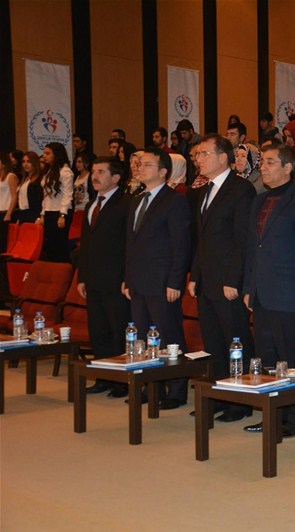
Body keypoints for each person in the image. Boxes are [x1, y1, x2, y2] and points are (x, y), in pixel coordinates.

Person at [241, 144, 295, 434]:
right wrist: (249, 287)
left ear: (288, 167)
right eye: (262, 162)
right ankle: (274, 414)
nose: (263, 167)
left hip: (289, 293)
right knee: (268, 358)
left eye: (270, 162)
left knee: (293, 357)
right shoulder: (259, 200)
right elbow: (253, 248)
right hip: (262, 292)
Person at [188, 135, 256, 422]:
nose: (198, 159)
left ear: (222, 157)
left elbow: (242, 239)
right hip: (207, 280)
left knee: (236, 341)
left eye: (204, 154)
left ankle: (240, 401)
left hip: (228, 281)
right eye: (197, 155)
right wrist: (195, 274)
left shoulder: (241, 189)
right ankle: (218, 395)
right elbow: (201, 239)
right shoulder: (204, 190)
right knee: (213, 343)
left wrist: (234, 279)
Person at [123, 148, 191, 410]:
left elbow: (181, 245)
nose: (140, 168)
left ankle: (176, 389)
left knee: (168, 334)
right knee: (142, 336)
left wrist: (175, 281)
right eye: (139, 164)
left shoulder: (174, 201)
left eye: (147, 164)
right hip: (139, 280)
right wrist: (127, 278)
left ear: (163, 172)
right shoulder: (137, 200)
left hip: (163, 282)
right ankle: (150, 386)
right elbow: (131, 244)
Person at [78, 157, 131, 398]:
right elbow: (86, 245)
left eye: (101, 172)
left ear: (116, 177)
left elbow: (130, 246)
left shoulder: (126, 203)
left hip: (116, 280)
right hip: (93, 279)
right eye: (93, 171)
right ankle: (103, 377)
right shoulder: (92, 204)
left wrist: (127, 277)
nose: (95, 176)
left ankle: (121, 381)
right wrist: (82, 277)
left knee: (118, 330)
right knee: (98, 331)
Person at [37, 142, 74, 263]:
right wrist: (42, 214)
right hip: (49, 211)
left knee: (59, 245)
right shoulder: (49, 171)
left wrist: (62, 215)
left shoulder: (65, 171)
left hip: (60, 212)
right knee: (50, 245)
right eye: (44, 153)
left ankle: (64, 269)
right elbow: (46, 196)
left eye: (48, 153)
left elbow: (68, 195)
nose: (44, 156)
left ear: (56, 154)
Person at [13, 152, 45, 224]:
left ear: (35, 163)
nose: (25, 164)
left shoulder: (40, 179)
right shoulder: (24, 179)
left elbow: (42, 200)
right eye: (23, 162)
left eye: (29, 161)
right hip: (23, 214)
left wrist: (40, 217)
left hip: (35, 215)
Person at [0, 153, 19, 251]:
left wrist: (8, 213)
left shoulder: (11, 176)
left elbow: (14, 197)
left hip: (5, 212)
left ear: (3, 164)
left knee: (4, 241)